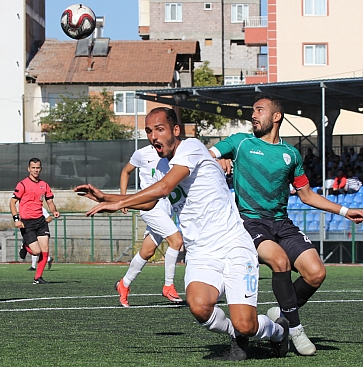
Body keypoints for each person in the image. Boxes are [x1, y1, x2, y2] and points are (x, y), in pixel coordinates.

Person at [76, 107, 290, 361]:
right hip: (200, 250)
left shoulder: (191, 147)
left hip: (233, 243)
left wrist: (117, 203)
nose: (153, 136)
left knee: (248, 325)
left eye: (159, 129)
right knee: (200, 307)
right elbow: (150, 201)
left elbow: (164, 187)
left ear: (175, 130)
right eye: (148, 131)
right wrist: (107, 197)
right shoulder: (163, 164)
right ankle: (237, 336)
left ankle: (278, 331)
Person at [209, 94, 363, 356]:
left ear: (276, 116)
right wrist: (217, 158)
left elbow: (306, 195)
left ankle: (282, 312)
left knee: (316, 273)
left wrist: (345, 210)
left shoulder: (291, 154)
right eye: (252, 111)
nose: (253, 115)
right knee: (280, 261)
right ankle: (294, 329)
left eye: (259, 110)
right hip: (250, 221)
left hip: (282, 223)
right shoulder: (240, 143)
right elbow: (201, 156)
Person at [116, 145, 184, 307]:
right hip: (149, 206)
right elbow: (126, 171)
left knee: (147, 251)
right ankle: (168, 286)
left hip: (167, 208)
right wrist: (124, 198)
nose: (155, 135)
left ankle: (123, 284)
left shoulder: (175, 152)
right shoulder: (141, 153)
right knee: (176, 241)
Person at [10, 158, 60, 284]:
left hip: (40, 221)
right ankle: (25, 245)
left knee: (45, 249)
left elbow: (49, 201)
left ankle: (37, 278)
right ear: (29, 169)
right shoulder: (22, 184)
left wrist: (54, 211)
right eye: (33, 167)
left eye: (38, 167)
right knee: (36, 251)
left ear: (40, 169)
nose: (35, 170)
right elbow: (12, 202)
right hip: (27, 223)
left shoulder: (44, 185)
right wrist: (16, 219)